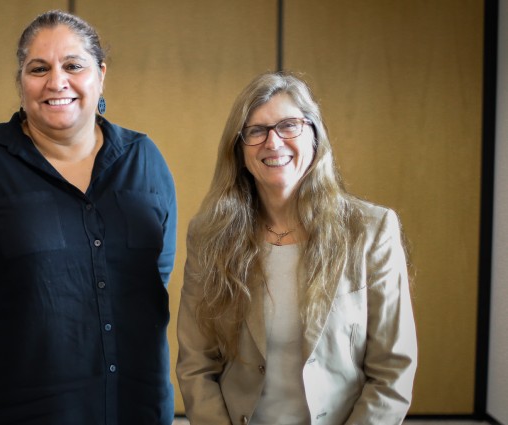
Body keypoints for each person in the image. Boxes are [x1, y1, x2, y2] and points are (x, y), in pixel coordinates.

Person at [0, 10, 177, 425]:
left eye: (73, 66)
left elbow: (156, 270)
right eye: (38, 68)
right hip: (17, 407)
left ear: (100, 74)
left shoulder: (144, 159)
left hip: (134, 404)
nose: (56, 82)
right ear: (21, 82)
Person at [176, 71, 417, 424]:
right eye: (256, 131)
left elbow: (393, 369)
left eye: (289, 125)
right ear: (239, 150)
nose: (273, 143)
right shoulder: (210, 234)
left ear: (315, 137)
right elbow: (197, 364)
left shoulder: (370, 230)